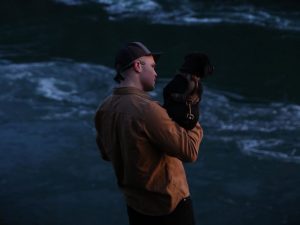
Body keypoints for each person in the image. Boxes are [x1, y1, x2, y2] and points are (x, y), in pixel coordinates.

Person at [94, 41, 204, 225]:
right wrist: (192, 112)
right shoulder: (148, 110)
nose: (156, 73)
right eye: (152, 67)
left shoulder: (103, 108)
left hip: (136, 207)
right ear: (138, 66)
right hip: (169, 209)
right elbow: (190, 151)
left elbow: (107, 153)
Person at [163, 52, 214, 130]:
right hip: (191, 122)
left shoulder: (178, 81)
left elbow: (166, 92)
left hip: (174, 120)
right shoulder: (199, 86)